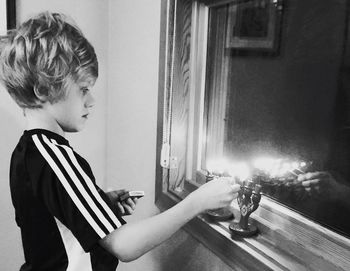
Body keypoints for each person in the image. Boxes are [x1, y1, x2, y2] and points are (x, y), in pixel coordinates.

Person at [0, 12, 240, 271]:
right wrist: (197, 201)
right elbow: (124, 246)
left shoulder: (29, 152)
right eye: (83, 89)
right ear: (44, 90)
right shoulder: (53, 156)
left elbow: (52, 216)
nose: (91, 101)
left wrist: (99, 202)